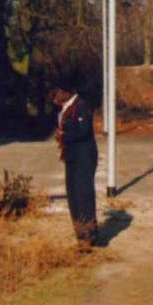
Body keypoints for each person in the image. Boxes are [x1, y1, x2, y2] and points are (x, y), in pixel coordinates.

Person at [52, 79, 99, 249]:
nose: (55, 96)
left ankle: (89, 235)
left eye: (58, 93)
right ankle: (80, 233)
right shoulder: (67, 108)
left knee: (83, 194)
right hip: (72, 155)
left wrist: (63, 136)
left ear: (67, 93)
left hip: (83, 156)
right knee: (73, 194)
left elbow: (83, 130)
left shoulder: (80, 106)